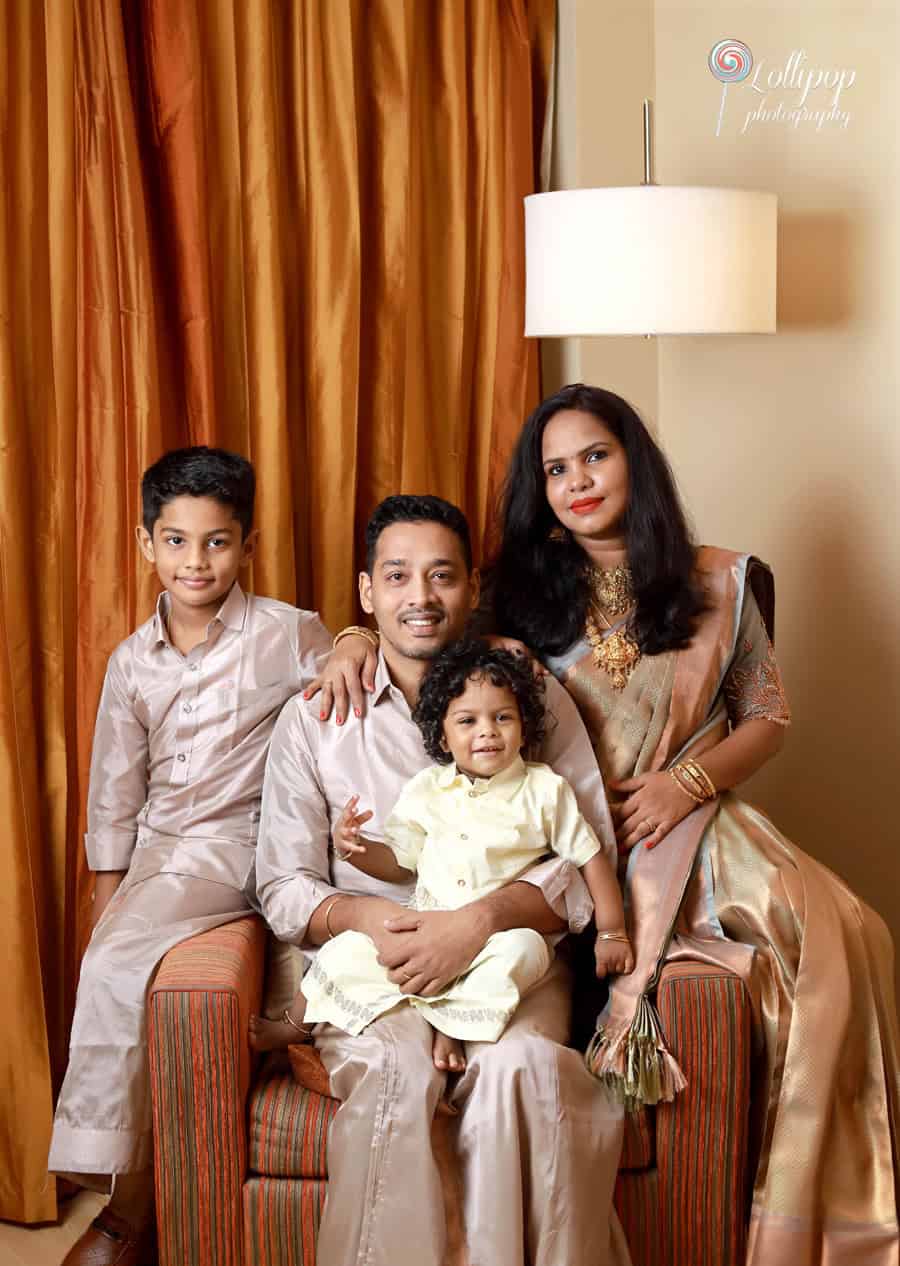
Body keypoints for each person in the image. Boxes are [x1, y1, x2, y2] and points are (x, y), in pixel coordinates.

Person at [321, 385, 900, 1266]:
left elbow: (768, 717)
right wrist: (346, 643)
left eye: (595, 456)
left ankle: (824, 1214)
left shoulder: (719, 579)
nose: (578, 481)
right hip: (571, 846)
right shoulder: (515, 595)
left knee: (848, 936)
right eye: (556, 470)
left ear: (635, 457)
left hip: (696, 826)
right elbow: (422, 640)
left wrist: (686, 782)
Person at [255, 494, 631, 1266]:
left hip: (512, 960)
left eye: (441, 576)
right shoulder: (320, 715)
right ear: (367, 593)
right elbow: (283, 883)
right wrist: (365, 917)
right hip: (378, 957)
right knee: (395, 1076)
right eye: (397, 577)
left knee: (523, 1074)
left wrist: (482, 921)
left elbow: (585, 847)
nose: (420, 598)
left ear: (470, 586)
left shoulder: (524, 689)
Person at [48, 447, 332, 1266]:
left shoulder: (287, 632)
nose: (195, 561)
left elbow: (359, 690)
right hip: (160, 854)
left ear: (246, 545)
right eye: (176, 542)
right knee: (111, 960)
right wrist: (110, 899)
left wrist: (349, 641)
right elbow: (113, 792)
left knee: (115, 967)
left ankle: (120, 1211)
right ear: (146, 545)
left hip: (246, 840)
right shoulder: (131, 662)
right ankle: (134, 1201)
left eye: (215, 542)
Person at [252, 638, 632, 1072]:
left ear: (524, 727)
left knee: (523, 954)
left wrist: (612, 932)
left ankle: (451, 1027)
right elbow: (399, 862)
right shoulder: (429, 789)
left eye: (503, 718)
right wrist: (354, 849)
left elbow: (590, 859)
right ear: (444, 738)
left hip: (495, 938)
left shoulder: (545, 790)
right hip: (425, 925)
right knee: (345, 951)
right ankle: (294, 1023)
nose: (487, 731)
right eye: (468, 721)